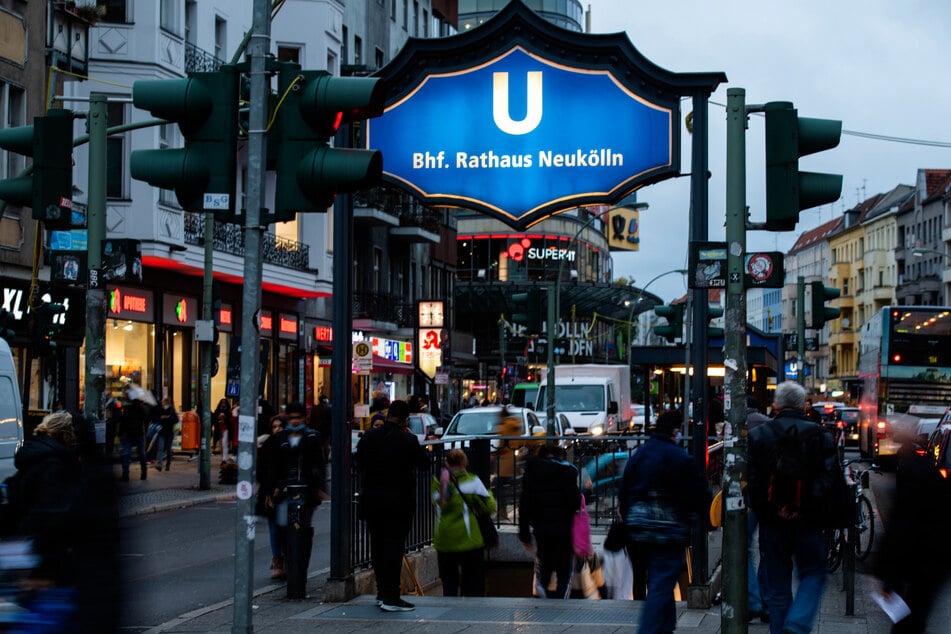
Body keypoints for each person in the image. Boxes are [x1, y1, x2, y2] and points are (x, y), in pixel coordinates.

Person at [747, 381, 830, 634]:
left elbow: (753, 484)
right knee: (814, 573)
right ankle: (797, 623)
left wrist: (772, 511)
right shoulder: (820, 435)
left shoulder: (759, 435)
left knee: (778, 586)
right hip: (808, 522)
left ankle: (781, 627)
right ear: (803, 405)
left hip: (773, 524)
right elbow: (828, 481)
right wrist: (804, 509)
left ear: (776, 405)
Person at [620, 409, 710, 633]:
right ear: (676, 431)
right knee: (661, 582)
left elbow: (625, 490)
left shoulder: (640, 455)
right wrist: (702, 518)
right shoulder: (680, 457)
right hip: (668, 530)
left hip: (639, 529)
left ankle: (666, 627)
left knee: (660, 582)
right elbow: (699, 493)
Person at [874, 417, 951, 633]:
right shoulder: (926, 471)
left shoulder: (911, 474)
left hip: (922, 556)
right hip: (935, 558)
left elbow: (902, 525)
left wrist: (887, 575)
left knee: (908, 619)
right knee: (917, 614)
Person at [355, 399, 430, 612]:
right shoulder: (407, 439)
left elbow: (358, 462)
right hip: (398, 502)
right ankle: (392, 595)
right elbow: (424, 463)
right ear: (406, 419)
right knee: (394, 548)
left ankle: (381, 593)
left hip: (372, 501)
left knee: (378, 547)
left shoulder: (369, 437)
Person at [259, 402, 326, 585]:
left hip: (307, 492)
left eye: (299, 417)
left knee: (303, 530)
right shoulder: (280, 439)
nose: (295, 421)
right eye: (292, 417)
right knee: (283, 527)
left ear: (305, 418)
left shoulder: (312, 437)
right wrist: (271, 489)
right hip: (284, 492)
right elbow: (273, 466)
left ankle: (299, 566)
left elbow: (319, 464)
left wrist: (320, 488)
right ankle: (288, 561)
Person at [518, 443, 581, 599]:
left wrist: (524, 534)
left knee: (544, 561)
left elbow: (524, 506)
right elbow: (575, 502)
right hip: (564, 527)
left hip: (541, 526)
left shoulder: (531, 473)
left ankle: (542, 593)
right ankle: (561, 600)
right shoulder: (567, 471)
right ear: (559, 455)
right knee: (564, 568)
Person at [431, 448, 497, 597]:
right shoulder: (472, 481)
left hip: (444, 539)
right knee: (473, 582)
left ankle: (450, 613)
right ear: (464, 462)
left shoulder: (437, 483)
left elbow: (437, 503)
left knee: (449, 582)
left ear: (446, 463)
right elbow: (489, 506)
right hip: (469, 540)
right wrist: (489, 493)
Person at [745, 395, 771, 624]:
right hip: (769, 495)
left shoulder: (738, 426)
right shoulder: (768, 423)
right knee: (766, 548)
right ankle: (766, 602)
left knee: (744, 548)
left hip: (747, 495)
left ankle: (753, 601)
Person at [257, 414, 288, 580]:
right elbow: (262, 471)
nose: (277, 430)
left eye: (280, 426)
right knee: (274, 528)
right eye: (274, 427)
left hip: (285, 493)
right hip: (270, 494)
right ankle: (277, 560)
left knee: (284, 527)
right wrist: (269, 491)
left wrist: (280, 486)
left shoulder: (288, 444)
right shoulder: (268, 445)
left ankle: (285, 559)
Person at [494, 405, 524, 517]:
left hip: (505, 460)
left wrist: (495, 455)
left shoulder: (503, 427)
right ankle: (515, 508)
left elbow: (501, 444)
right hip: (515, 459)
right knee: (514, 485)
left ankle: (502, 510)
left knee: (498, 485)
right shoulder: (516, 424)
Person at [118, 386, 150, 481]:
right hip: (138, 433)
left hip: (129, 434)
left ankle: (125, 475)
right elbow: (146, 417)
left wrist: (120, 433)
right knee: (141, 454)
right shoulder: (139, 407)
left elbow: (123, 421)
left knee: (126, 454)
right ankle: (143, 473)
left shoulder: (127, 408)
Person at [154, 397, 177, 472]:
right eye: (164, 403)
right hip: (162, 431)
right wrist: (161, 418)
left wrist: (168, 418)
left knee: (168, 449)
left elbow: (175, 420)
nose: (164, 404)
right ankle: (160, 464)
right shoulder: (160, 410)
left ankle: (168, 465)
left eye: (166, 403)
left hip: (169, 432)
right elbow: (156, 418)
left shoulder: (171, 410)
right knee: (160, 448)